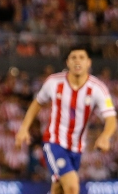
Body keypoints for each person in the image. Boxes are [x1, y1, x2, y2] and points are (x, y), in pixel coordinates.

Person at [15, 46, 116, 194]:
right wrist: (24, 128)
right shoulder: (53, 82)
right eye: (73, 57)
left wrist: (105, 136)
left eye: (81, 57)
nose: (77, 61)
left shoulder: (98, 89)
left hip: (77, 148)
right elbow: (37, 102)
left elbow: (111, 118)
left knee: (59, 188)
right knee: (72, 187)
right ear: (67, 62)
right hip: (54, 142)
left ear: (89, 62)